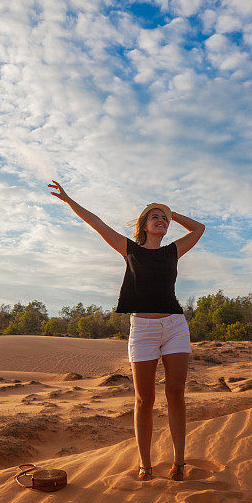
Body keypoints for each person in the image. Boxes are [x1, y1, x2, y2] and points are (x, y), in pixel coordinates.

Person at [47, 179, 205, 482]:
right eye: (154, 217)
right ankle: (145, 465)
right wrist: (69, 200)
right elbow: (97, 223)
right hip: (142, 329)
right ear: (144, 226)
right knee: (144, 400)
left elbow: (198, 229)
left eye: (164, 218)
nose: (161, 220)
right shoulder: (129, 249)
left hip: (174, 326)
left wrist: (172, 213)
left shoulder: (172, 251)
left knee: (176, 393)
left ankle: (179, 463)